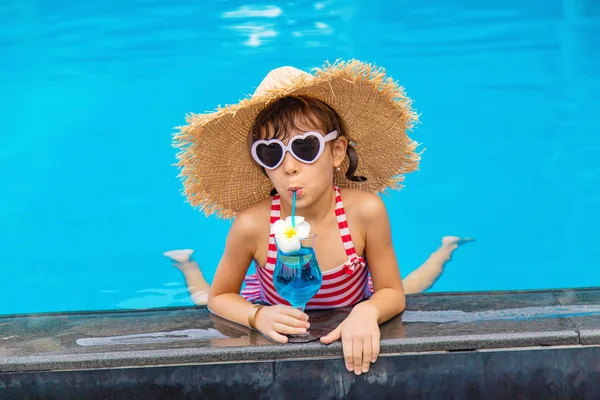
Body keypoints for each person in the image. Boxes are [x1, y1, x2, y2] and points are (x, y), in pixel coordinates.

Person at [170, 60, 472, 376]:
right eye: (272, 153)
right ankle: (186, 265)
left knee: (412, 283)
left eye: (305, 147)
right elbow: (220, 297)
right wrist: (258, 316)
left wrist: (366, 311)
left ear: (337, 151)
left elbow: (392, 293)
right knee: (201, 293)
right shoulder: (253, 225)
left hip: (354, 293)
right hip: (269, 300)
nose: (289, 167)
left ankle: (445, 250)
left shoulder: (365, 212)